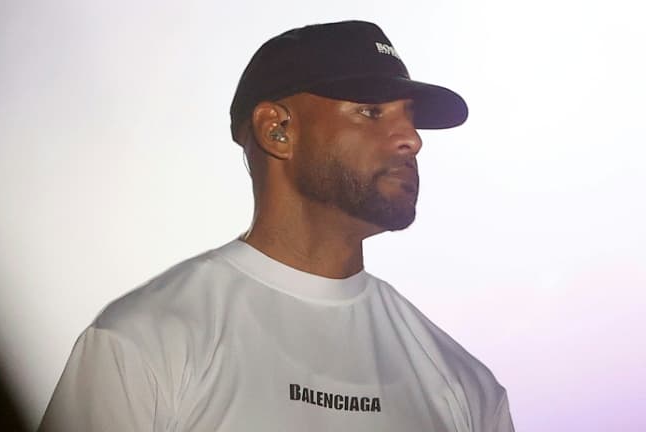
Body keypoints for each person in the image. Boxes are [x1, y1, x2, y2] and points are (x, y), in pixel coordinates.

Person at [39, 20, 515, 432]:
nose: (411, 139)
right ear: (277, 130)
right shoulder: (144, 343)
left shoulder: (465, 386)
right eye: (371, 112)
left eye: (409, 119)